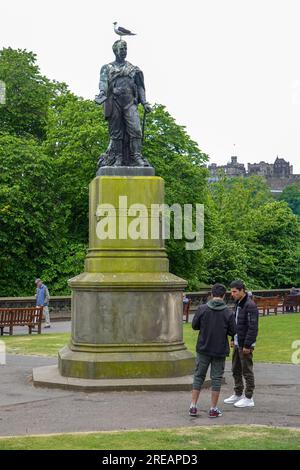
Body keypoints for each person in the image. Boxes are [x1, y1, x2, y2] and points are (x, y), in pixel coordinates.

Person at [96, 40, 152, 168]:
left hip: (130, 102)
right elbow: (103, 82)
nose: (124, 52)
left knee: (136, 129)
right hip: (114, 101)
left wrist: (144, 102)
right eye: (122, 49)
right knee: (116, 132)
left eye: (125, 49)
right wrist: (102, 92)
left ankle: (136, 156)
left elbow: (140, 87)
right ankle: (118, 157)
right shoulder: (107, 68)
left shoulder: (133, 69)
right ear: (115, 50)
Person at [189, 283, 236, 418]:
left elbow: (194, 325)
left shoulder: (202, 309)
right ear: (223, 295)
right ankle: (213, 408)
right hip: (219, 349)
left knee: (199, 376)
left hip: (203, 347)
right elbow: (233, 330)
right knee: (216, 378)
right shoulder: (228, 312)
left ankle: (193, 405)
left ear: (211, 294)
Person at [224, 280, 259, 408]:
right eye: (231, 291)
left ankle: (249, 397)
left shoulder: (250, 305)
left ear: (242, 290)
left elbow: (253, 327)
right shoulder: (238, 303)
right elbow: (235, 323)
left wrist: (248, 345)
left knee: (247, 370)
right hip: (238, 342)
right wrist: (233, 338)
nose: (232, 294)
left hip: (245, 344)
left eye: (234, 291)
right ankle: (238, 393)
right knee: (235, 369)